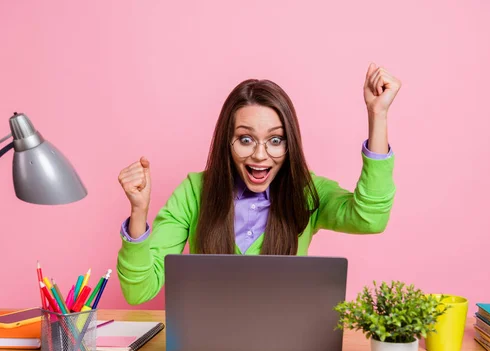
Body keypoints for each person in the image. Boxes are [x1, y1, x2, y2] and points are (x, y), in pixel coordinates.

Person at [116, 62, 401, 305]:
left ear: (290, 145)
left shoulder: (308, 193)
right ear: (227, 142)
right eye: (246, 139)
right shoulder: (194, 191)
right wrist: (138, 213)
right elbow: (139, 291)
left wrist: (378, 115)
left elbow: (370, 219)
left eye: (275, 140)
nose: (260, 155)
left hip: (285, 347)